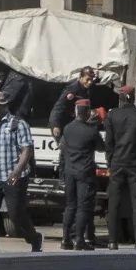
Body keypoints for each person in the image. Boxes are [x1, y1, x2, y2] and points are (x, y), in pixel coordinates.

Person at [0, 89, 43, 254]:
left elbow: (27, 150)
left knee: (15, 214)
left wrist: (17, 171)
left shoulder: (18, 124)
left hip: (13, 176)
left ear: (4, 106)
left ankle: (34, 238)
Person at [103, 84, 136, 249]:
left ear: (121, 98)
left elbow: (108, 143)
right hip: (135, 165)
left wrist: (110, 162)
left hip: (117, 163)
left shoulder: (112, 115)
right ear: (133, 97)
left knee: (114, 202)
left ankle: (112, 241)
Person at [58, 96, 105, 250]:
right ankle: (79, 240)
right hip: (85, 173)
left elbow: (63, 147)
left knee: (70, 206)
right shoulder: (90, 131)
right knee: (83, 207)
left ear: (76, 111)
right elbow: (101, 147)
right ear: (87, 113)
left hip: (69, 171)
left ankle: (65, 240)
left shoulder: (67, 128)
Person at [49, 65, 101, 136]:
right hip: (63, 123)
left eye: (91, 80)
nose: (89, 82)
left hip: (75, 123)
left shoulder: (87, 90)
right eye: (87, 79)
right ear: (81, 77)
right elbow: (59, 107)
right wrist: (55, 125)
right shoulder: (72, 89)